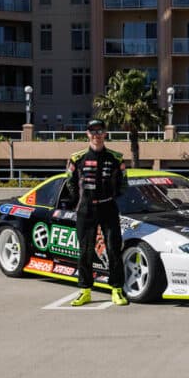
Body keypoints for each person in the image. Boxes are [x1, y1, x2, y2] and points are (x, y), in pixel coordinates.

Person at [66, 118, 129, 306]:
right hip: (86, 210)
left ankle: (117, 289)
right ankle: (85, 290)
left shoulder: (116, 158)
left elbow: (123, 185)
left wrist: (112, 195)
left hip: (108, 207)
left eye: (100, 131)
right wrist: (80, 201)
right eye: (93, 132)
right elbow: (70, 183)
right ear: (87, 134)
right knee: (85, 251)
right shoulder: (77, 158)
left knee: (113, 249)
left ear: (105, 134)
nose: (96, 136)